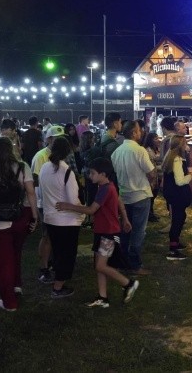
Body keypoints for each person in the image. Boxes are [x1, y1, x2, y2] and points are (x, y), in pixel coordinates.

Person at [55, 158, 139, 308]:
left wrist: (68, 206)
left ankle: (128, 283)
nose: (90, 176)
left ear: (103, 174)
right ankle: (102, 297)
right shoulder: (107, 186)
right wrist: (125, 219)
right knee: (99, 265)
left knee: (100, 266)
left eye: (93, 173)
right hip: (103, 231)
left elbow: (91, 210)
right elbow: (119, 201)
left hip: (108, 233)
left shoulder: (105, 189)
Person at [0, 137, 39, 311]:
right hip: (19, 216)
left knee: (3, 262)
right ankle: (16, 286)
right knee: (16, 253)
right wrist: (34, 217)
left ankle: (9, 302)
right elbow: (31, 193)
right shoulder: (22, 167)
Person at [39, 137, 85, 298]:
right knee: (66, 254)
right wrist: (85, 211)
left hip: (50, 218)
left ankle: (54, 278)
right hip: (67, 221)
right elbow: (73, 200)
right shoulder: (67, 172)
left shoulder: (44, 168)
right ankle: (58, 287)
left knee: (57, 252)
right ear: (68, 152)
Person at [111, 120, 156, 275]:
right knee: (138, 232)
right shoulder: (139, 150)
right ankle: (134, 264)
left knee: (125, 230)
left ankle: (124, 261)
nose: (141, 132)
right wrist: (152, 182)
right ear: (133, 133)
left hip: (124, 196)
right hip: (140, 195)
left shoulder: (117, 152)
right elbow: (150, 172)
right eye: (139, 130)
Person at [31, 125, 67, 283]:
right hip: (45, 202)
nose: (59, 141)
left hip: (59, 201)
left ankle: (53, 262)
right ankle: (44, 267)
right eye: (56, 138)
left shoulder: (61, 155)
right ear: (49, 139)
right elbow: (36, 181)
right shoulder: (41, 157)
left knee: (56, 235)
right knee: (47, 236)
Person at [161, 135, 192, 260]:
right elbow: (179, 181)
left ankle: (175, 243)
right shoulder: (177, 160)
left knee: (179, 217)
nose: (186, 146)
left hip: (172, 193)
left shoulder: (169, 156)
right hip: (177, 193)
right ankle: (173, 250)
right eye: (185, 144)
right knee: (177, 219)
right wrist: (190, 176)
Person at [142, 131, 162, 223]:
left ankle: (151, 213)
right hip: (151, 177)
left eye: (158, 138)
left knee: (154, 195)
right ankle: (149, 214)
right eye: (155, 139)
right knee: (151, 196)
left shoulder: (156, 148)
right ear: (150, 140)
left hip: (157, 176)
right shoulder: (147, 150)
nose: (158, 140)